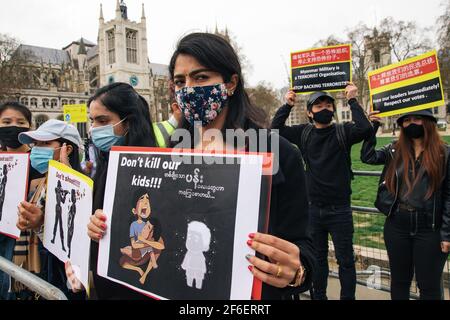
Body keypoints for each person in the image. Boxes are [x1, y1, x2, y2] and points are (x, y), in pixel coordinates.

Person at [271, 85, 372, 300]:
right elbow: (275, 130)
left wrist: (353, 100)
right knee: (318, 259)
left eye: (328, 105)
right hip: (313, 210)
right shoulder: (304, 133)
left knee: (346, 261)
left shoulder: (343, 131)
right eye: (318, 105)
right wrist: (288, 104)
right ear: (309, 112)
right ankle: (319, 296)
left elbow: (365, 129)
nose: (324, 108)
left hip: (340, 211)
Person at [85, 82, 164, 299]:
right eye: (92, 121)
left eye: (103, 121)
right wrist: (92, 225)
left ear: (128, 122)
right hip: (106, 282)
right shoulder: (104, 164)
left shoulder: (160, 168)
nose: (94, 129)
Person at [361, 109, 450, 300]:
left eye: (417, 119)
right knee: (399, 282)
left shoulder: (445, 154)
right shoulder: (394, 150)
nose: (411, 124)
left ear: (428, 122)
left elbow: (449, 196)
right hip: (397, 226)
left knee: (430, 286)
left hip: (429, 229)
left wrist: (447, 234)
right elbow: (367, 156)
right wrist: (373, 126)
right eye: (407, 120)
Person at [15, 119, 85, 300]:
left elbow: (76, 242)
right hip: (46, 274)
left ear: (67, 149)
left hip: (67, 283)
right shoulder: (41, 183)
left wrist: (41, 223)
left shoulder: (83, 189)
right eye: (36, 144)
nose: (37, 149)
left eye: (45, 143)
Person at [0, 101, 40, 300]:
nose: (12, 126)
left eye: (20, 122)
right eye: (6, 122)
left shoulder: (38, 161)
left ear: (29, 128)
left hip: (24, 245)